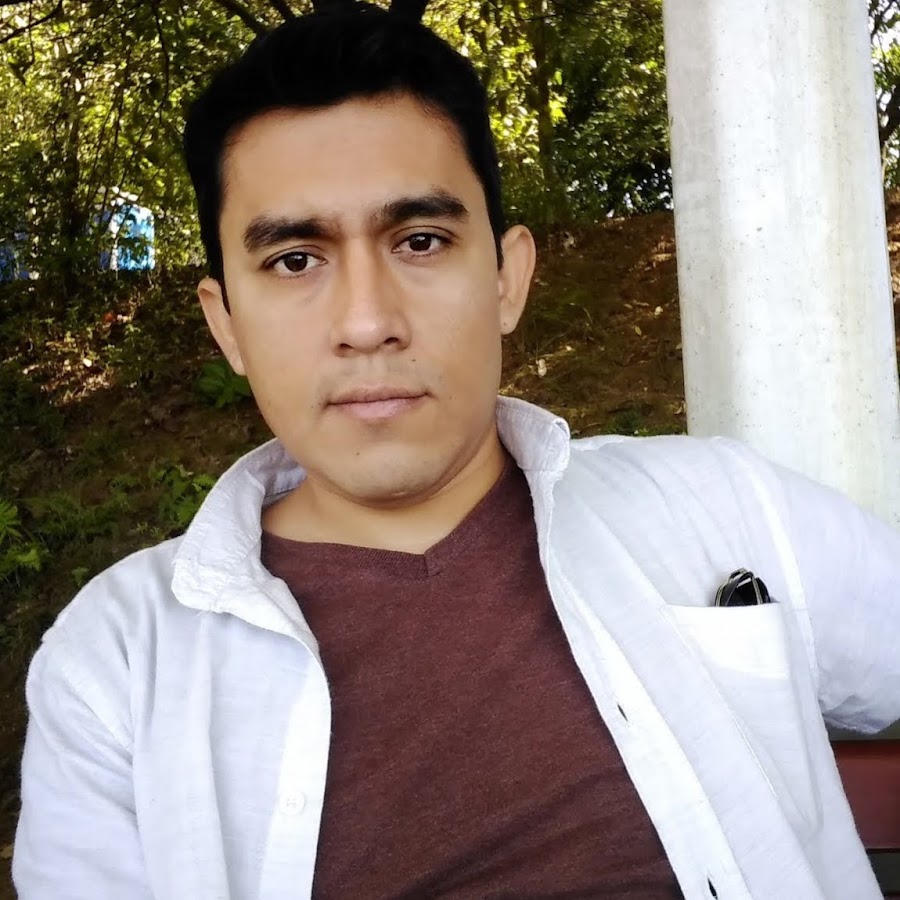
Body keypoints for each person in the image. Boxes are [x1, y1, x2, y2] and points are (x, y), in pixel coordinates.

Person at [12, 2, 900, 898]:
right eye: (294, 260)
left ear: (508, 277)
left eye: (421, 240)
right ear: (227, 324)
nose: (368, 322)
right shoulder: (117, 664)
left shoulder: (720, 507)